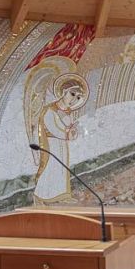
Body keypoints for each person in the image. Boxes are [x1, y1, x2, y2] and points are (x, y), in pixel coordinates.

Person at [32, 76, 88, 204]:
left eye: (78, 98)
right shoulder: (50, 110)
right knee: (51, 168)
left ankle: (62, 194)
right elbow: (53, 128)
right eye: (72, 94)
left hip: (62, 145)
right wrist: (68, 133)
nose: (74, 99)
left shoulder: (68, 112)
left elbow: (70, 128)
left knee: (62, 169)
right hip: (51, 145)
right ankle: (40, 195)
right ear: (63, 91)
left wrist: (73, 131)